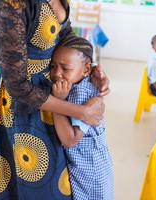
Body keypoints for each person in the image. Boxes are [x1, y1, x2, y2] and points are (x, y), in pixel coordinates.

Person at [0, 0, 110, 199]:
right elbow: (18, 86)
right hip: (25, 106)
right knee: (35, 181)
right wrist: (81, 112)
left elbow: (63, 34)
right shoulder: (11, 4)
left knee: (60, 181)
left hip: (55, 91)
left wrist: (88, 69)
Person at [50, 35, 114, 199]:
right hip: (96, 162)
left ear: (86, 69)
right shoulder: (80, 84)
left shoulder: (80, 94)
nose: (57, 74)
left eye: (65, 69)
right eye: (53, 66)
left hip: (89, 169)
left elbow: (70, 139)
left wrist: (57, 103)